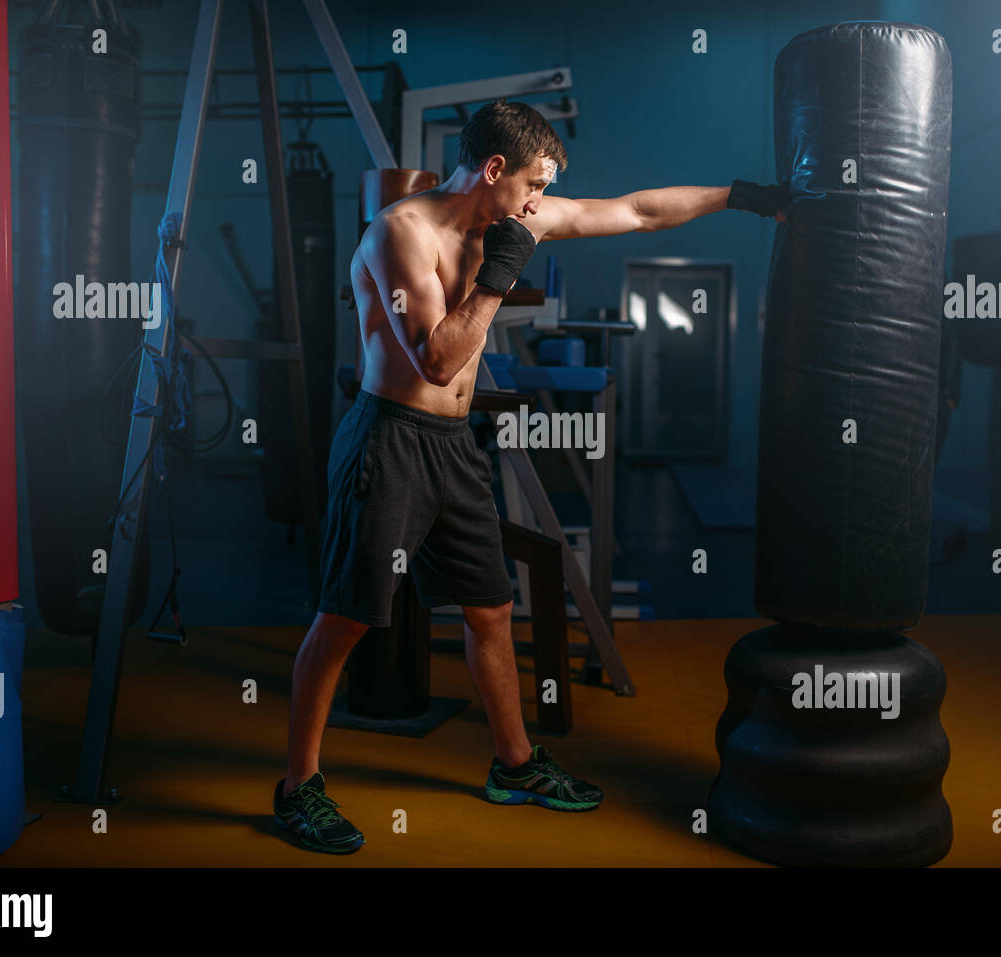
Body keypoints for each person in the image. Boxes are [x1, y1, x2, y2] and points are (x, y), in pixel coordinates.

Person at [273, 98, 792, 853]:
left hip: (454, 446)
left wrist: (741, 198)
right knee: (346, 616)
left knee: (490, 608)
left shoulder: (515, 219)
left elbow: (637, 212)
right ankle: (299, 786)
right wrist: (498, 276)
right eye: (532, 188)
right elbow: (439, 360)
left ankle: (513, 764)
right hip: (388, 440)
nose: (538, 205)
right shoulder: (400, 236)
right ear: (493, 170)